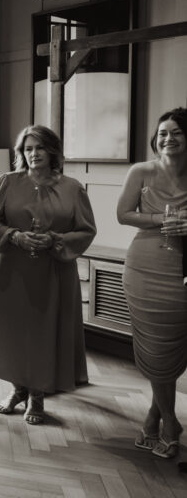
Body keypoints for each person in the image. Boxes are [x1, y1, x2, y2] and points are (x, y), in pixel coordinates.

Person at [0, 125, 96, 425]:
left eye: (39, 148)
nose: (33, 154)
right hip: (10, 270)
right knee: (13, 333)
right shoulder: (6, 181)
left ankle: (38, 396)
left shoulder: (73, 188)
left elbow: (85, 231)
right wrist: (15, 236)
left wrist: (55, 239)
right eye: (28, 149)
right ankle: (18, 390)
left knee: (43, 333)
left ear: (52, 151)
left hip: (52, 271)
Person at [117, 107, 187, 458]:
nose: (168, 139)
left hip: (183, 270)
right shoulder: (141, 171)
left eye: (176, 132)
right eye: (162, 133)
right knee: (156, 349)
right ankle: (170, 423)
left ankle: (153, 415)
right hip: (144, 269)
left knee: (173, 348)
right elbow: (122, 214)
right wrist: (162, 218)